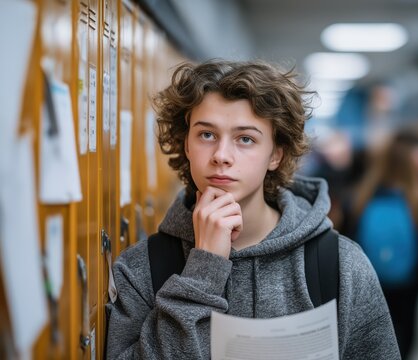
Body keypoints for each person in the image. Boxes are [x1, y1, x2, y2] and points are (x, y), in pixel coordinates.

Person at [105, 60, 400, 359]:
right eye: (206, 135)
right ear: (186, 146)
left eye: (245, 139)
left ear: (275, 155)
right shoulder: (140, 269)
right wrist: (202, 274)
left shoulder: (341, 265)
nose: (221, 155)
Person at [351, 133, 418, 360]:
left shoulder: (362, 198)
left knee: (373, 332)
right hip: (408, 282)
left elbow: (349, 241)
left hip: (372, 279)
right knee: (406, 330)